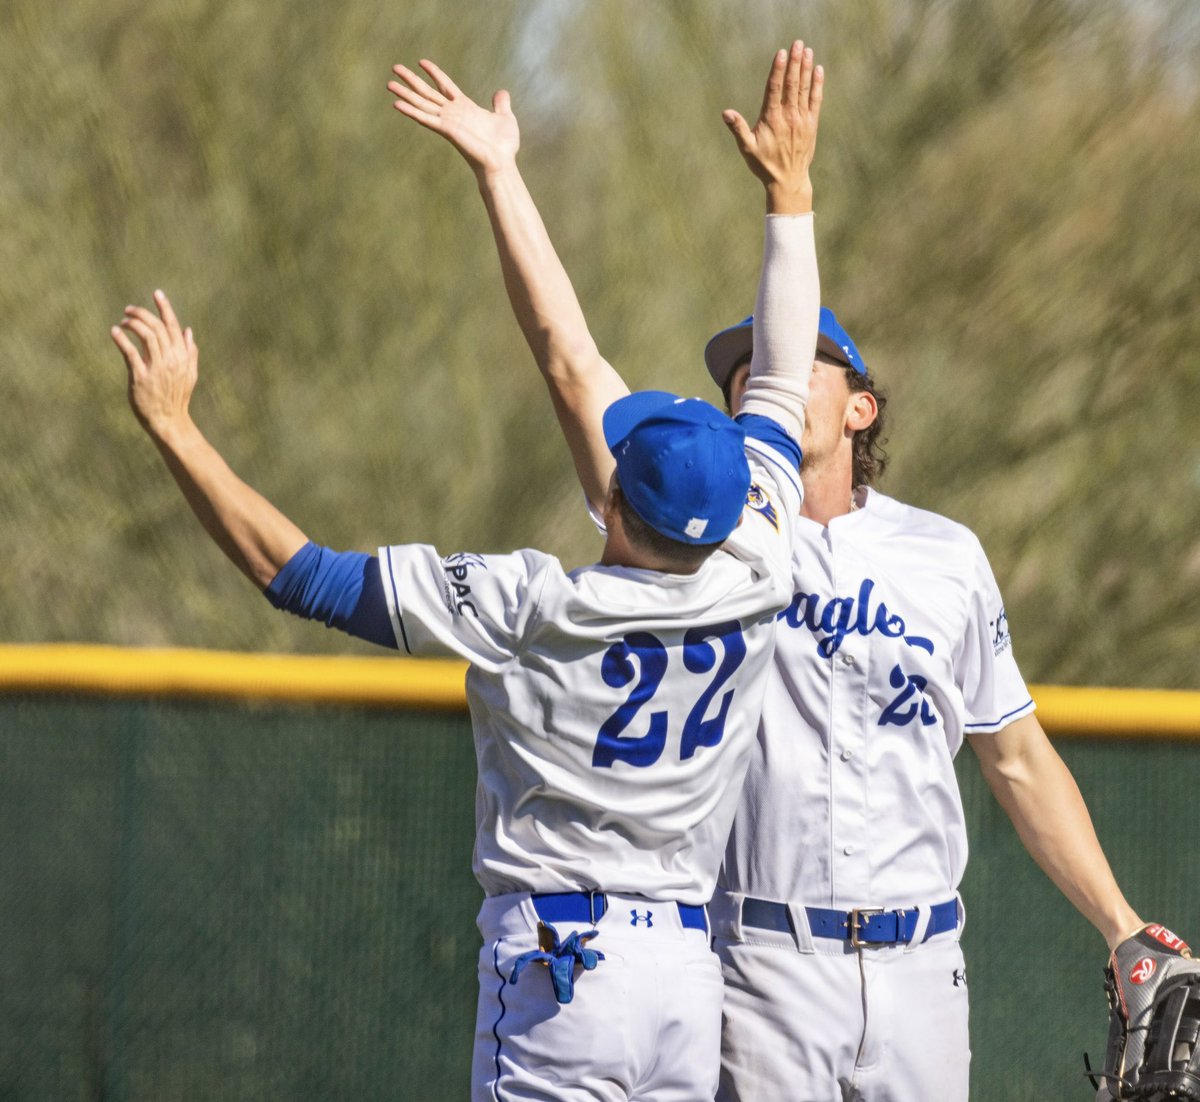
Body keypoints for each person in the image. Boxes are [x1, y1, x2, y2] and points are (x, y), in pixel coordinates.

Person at [449, 36, 1166, 1102]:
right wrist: (504, 175)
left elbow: (1015, 758)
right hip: (760, 961)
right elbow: (568, 356)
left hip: (925, 965)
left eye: (780, 361)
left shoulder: (946, 557)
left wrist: (1119, 925)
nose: (754, 376)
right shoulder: (695, 533)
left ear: (861, 404)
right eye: (740, 370)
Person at [113, 42, 824, 1102]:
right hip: (683, 973)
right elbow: (748, 367)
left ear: (613, 503)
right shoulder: (762, 554)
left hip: (561, 970)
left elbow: (296, 573)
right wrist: (791, 193)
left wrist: (175, 429)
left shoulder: (536, 608)